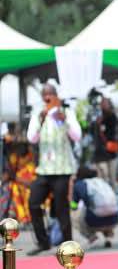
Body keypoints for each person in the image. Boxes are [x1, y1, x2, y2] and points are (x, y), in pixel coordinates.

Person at [26, 84, 82, 256]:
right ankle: (43, 242)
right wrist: (41, 119)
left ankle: (68, 246)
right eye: (45, 95)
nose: (48, 97)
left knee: (61, 208)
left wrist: (64, 119)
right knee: (34, 202)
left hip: (62, 169)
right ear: (43, 98)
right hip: (44, 169)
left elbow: (77, 136)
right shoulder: (38, 114)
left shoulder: (67, 113)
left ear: (56, 96)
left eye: (51, 94)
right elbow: (32, 138)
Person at [70, 166, 118, 248]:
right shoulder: (101, 181)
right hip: (113, 218)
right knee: (105, 208)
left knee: (74, 215)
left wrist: (71, 200)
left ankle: (91, 237)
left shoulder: (80, 184)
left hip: (94, 220)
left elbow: (74, 205)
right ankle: (108, 237)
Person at [92, 97, 118, 190]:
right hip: (100, 154)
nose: (103, 105)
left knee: (112, 178)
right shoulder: (97, 118)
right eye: (102, 103)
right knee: (103, 179)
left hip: (111, 152)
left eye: (105, 103)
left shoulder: (112, 117)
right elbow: (93, 133)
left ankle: (113, 199)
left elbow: (114, 132)